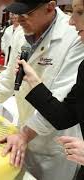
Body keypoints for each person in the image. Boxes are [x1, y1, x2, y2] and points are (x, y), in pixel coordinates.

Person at [0, 0, 84, 179]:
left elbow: (61, 100)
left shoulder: (74, 36)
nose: (19, 20)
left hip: (52, 138)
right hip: (24, 125)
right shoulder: (21, 33)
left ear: (49, 7)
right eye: (16, 14)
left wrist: (25, 135)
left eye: (26, 14)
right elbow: (10, 74)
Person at [12, 0, 84, 178]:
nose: (71, 21)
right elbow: (63, 114)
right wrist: (35, 83)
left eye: (80, 13)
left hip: (53, 146)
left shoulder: (72, 40)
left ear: (50, 7)